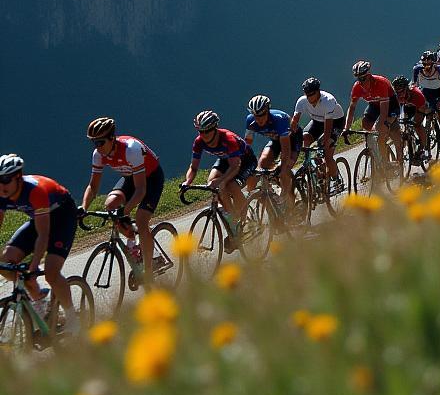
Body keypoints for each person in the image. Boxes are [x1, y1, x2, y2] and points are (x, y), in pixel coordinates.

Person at [0, 155, 78, 335]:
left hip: (63, 218)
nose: (1, 185)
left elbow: (43, 235)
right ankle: (40, 301)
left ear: (18, 178)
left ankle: (73, 320)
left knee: (51, 271)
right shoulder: (2, 193)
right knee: (7, 261)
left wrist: (34, 266)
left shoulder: (36, 191)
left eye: (5, 179)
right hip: (39, 219)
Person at [80, 117, 165, 284]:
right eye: (94, 143)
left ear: (112, 138)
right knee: (110, 206)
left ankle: (149, 268)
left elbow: (141, 190)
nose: (97, 147)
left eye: (100, 142)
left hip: (151, 179)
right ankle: (133, 242)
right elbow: (93, 186)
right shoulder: (98, 154)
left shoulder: (131, 149)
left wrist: (125, 212)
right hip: (130, 178)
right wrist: (83, 208)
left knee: (141, 219)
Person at [182, 112, 256, 237]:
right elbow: (193, 167)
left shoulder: (228, 138)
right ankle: (232, 218)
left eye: (207, 131)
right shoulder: (199, 142)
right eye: (200, 131)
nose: (203, 135)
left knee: (230, 185)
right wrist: (187, 182)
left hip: (245, 161)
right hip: (225, 159)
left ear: (215, 128)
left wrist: (222, 180)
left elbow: (235, 166)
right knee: (212, 182)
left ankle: (246, 221)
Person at [342, 61, 403, 174]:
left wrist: (382, 124)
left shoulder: (381, 83)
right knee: (365, 124)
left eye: (363, 79)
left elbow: (384, 111)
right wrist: (346, 128)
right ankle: (377, 149)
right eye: (358, 79)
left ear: (369, 75)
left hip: (390, 106)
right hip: (374, 105)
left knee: (385, 131)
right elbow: (352, 108)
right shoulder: (357, 87)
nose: (361, 82)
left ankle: (390, 163)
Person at [290, 77, 344, 184]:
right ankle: (311, 166)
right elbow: (294, 122)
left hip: (335, 122)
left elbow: (328, 125)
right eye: (307, 94)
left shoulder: (328, 100)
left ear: (318, 91)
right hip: (317, 121)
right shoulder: (302, 101)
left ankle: (337, 179)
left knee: (326, 154)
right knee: (304, 137)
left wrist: (326, 140)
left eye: (312, 94)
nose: (309, 97)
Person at [244, 95, 300, 198]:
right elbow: (247, 144)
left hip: (292, 139)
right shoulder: (250, 121)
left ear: (268, 111)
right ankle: (269, 193)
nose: (259, 119)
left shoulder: (279, 119)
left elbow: (285, 149)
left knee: (284, 170)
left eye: (262, 114)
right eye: (256, 115)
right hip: (275, 140)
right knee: (263, 163)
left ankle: (290, 199)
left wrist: (283, 167)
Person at [412, 51, 440, 144]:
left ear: (433, 63)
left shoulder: (439, 69)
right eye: (424, 64)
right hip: (425, 92)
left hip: (438, 91)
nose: (427, 67)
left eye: (429, 64)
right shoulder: (417, 69)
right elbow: (415, 85)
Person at [393, 77, 430, 163]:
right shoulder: (396, 96)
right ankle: (408, 139)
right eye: (397, 91)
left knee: (417, 125)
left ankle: (422, 148)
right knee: (402, 123)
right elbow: (395, 110)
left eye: (401, 91)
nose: (400, 94)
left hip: (419, 105)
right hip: (407, 106)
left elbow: (422, 108)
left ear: (406, 88)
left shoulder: (416, 94)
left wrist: (415, 121)